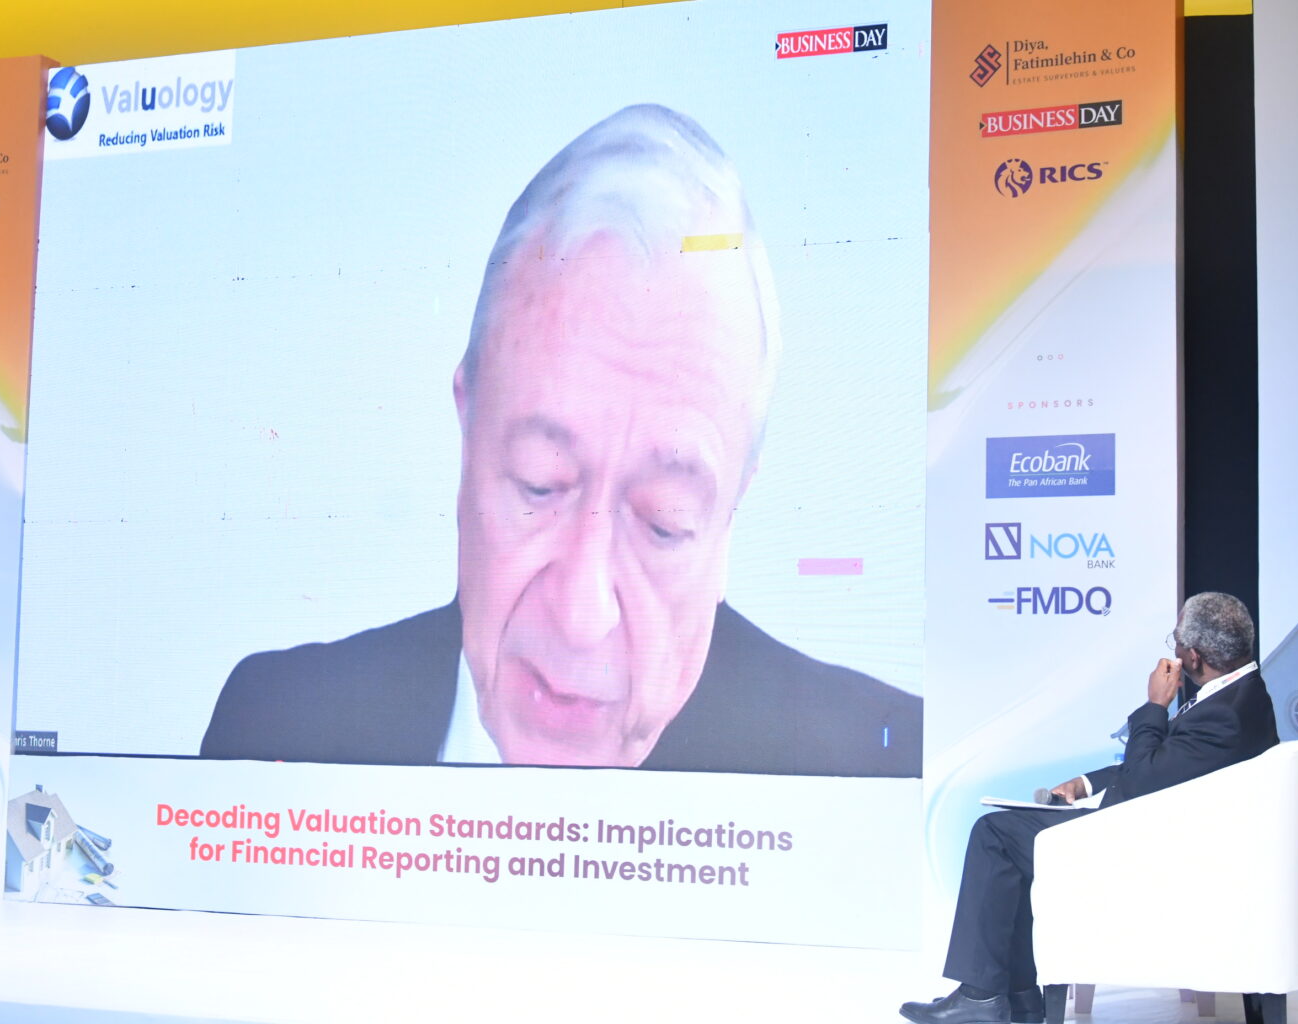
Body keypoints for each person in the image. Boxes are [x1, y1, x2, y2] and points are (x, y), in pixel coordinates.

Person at [200, 104, 921, 776]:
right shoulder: (276, 726)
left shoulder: (867, 765)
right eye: (538, 485)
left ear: (731, 509)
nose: (581, 615)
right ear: (467, 427)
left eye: (665, 523)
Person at [900, 592, 1278, 1024]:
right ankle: (1016, 999)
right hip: (1167, 833)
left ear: (1192, 655)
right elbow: (1170, 766)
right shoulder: (1245, 696)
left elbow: (1143, 782)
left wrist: (1155, 705)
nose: (1172, 648)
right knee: (1009, 836)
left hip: (1152, 852)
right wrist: (1085, 784)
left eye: (1175, 639)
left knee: (995, 834)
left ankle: (985, 997)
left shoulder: (1224, 714)